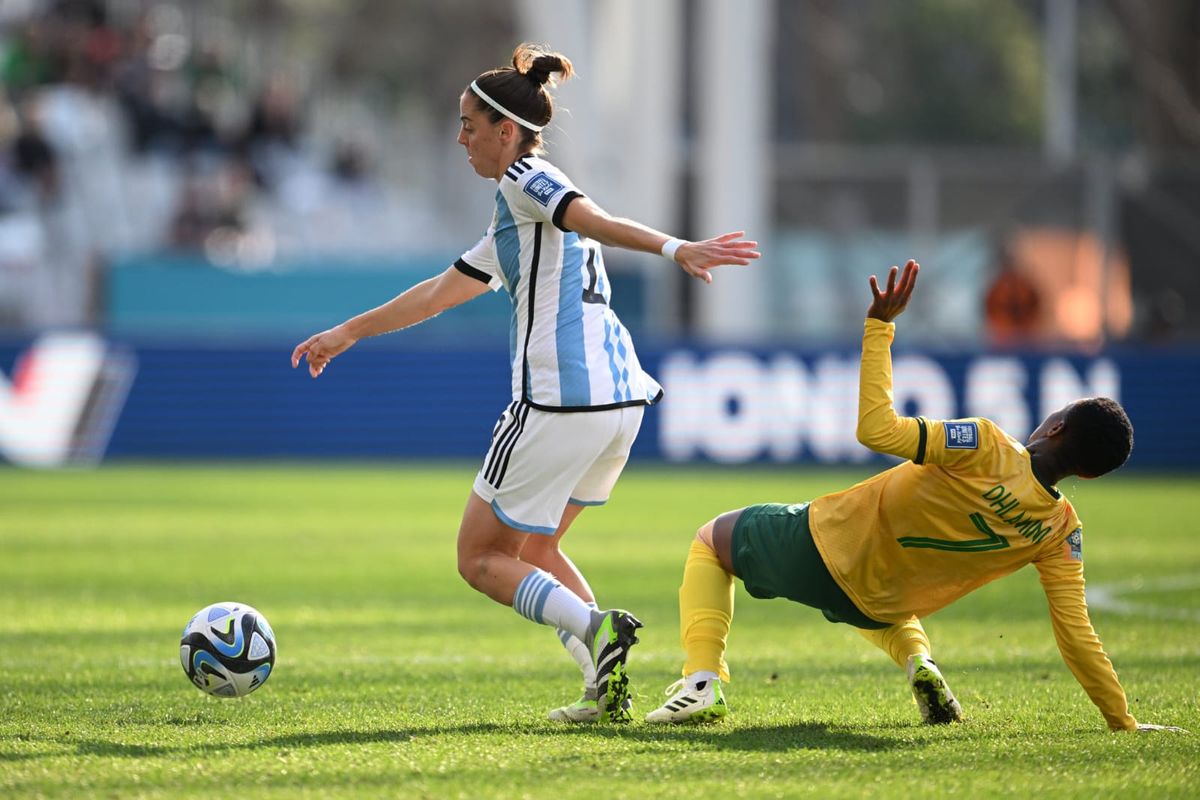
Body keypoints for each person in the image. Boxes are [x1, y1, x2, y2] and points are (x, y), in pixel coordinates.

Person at [291, 44, 759, 724]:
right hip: (620, 401)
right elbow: (438, 294)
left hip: (561, 400)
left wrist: (673, 247)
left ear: (506, 131)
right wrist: (348, 332)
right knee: (537, 549)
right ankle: (603, 688)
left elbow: (589, 216)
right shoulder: (514, 217)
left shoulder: (525, 178)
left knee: (480, 558)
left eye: (469, 125)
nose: (461, 139)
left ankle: (598, 630)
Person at [646, 259, 1184, 734]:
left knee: (711, 540)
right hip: (882, 602)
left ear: (1057, 426)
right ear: (1088, 475)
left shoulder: (986, 445)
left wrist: (879, 327)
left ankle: (701, 682)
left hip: (825, 546)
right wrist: (1123, 720)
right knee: (888, 601)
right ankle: (918, 662)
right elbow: (1076, 635)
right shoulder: (1061, 532)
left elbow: (877, 430)